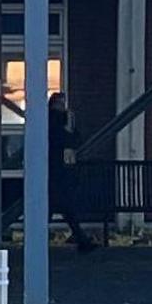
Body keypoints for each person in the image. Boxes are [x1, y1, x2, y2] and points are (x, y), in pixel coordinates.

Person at [47, 96, 113, 257]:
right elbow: (71, 140)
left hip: (54, 170)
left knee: (60, 208)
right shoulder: (59, 121)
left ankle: (81, 240)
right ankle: (82, 241)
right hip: (59, 171)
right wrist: (70, 128)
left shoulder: (49, 120)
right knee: (64, 207)